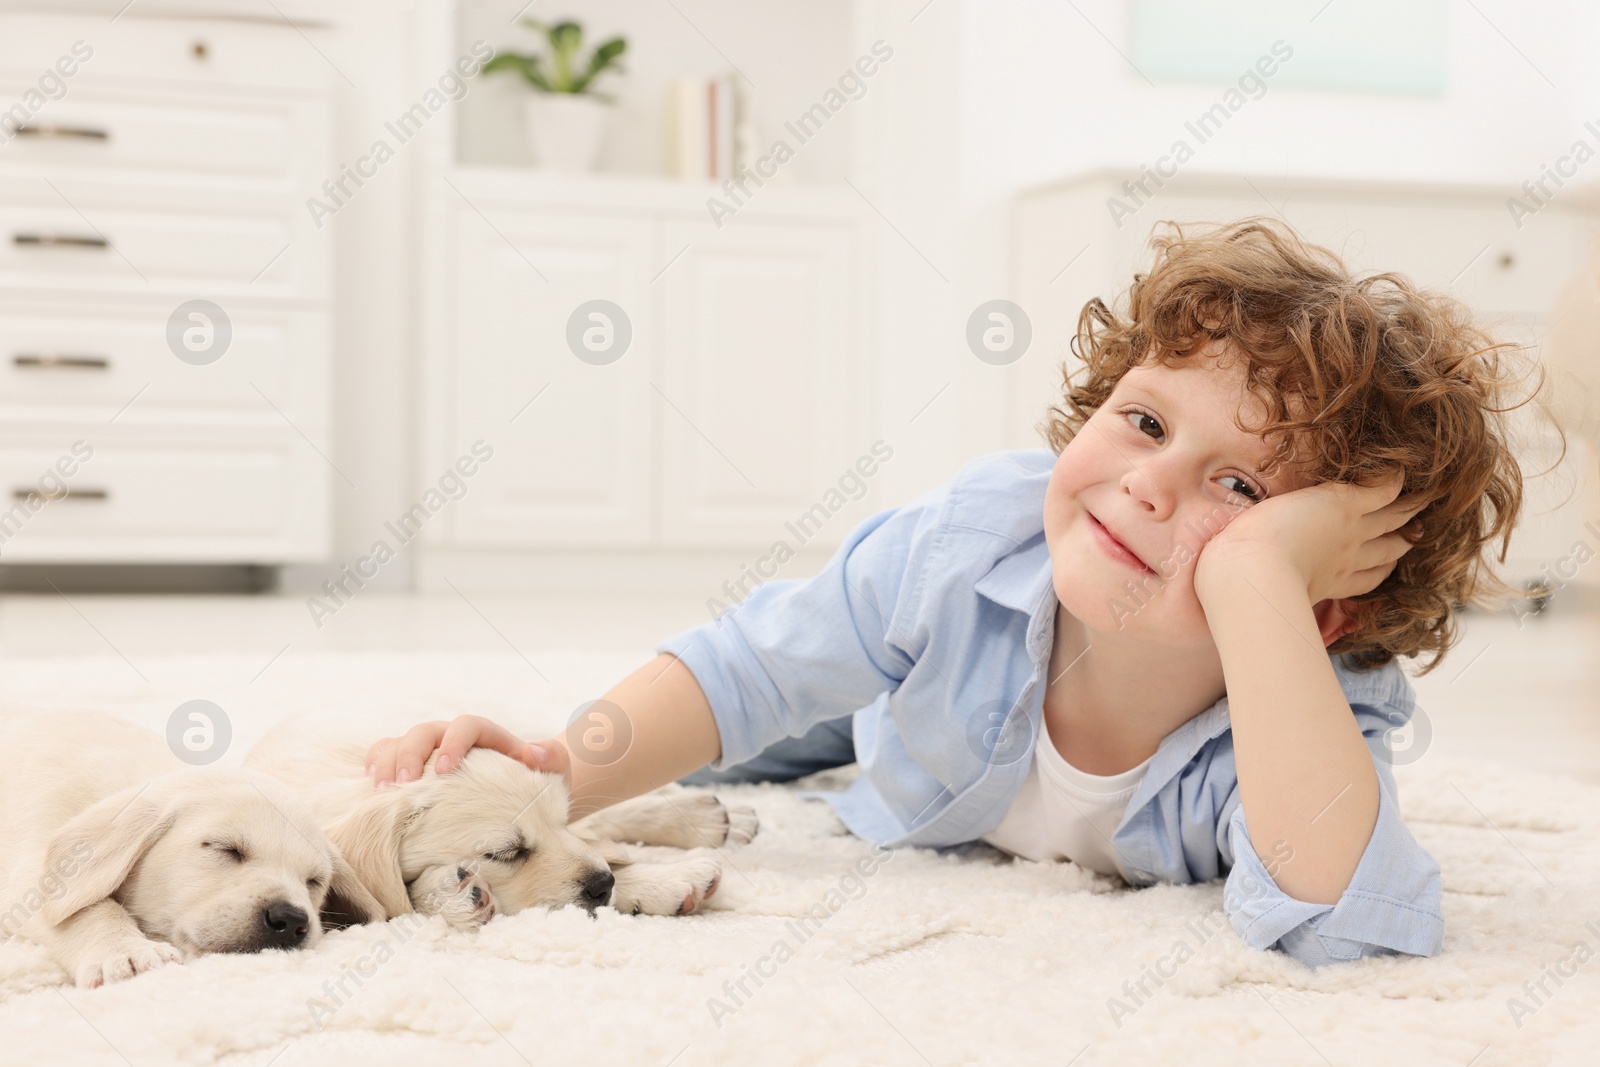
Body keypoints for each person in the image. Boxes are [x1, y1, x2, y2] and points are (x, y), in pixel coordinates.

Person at [367, 216, 1556, 967]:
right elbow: (744, 670)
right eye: (1141, 419)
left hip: (963, 720)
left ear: (1323, 595)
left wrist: (1252, 589)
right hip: (907, 697)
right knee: (782, 713)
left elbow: (1347, 916)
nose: (1143, 485)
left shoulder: (1311, 715)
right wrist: (546, 776)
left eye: (1240, 486)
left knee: (814, 712)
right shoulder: (973, 541)